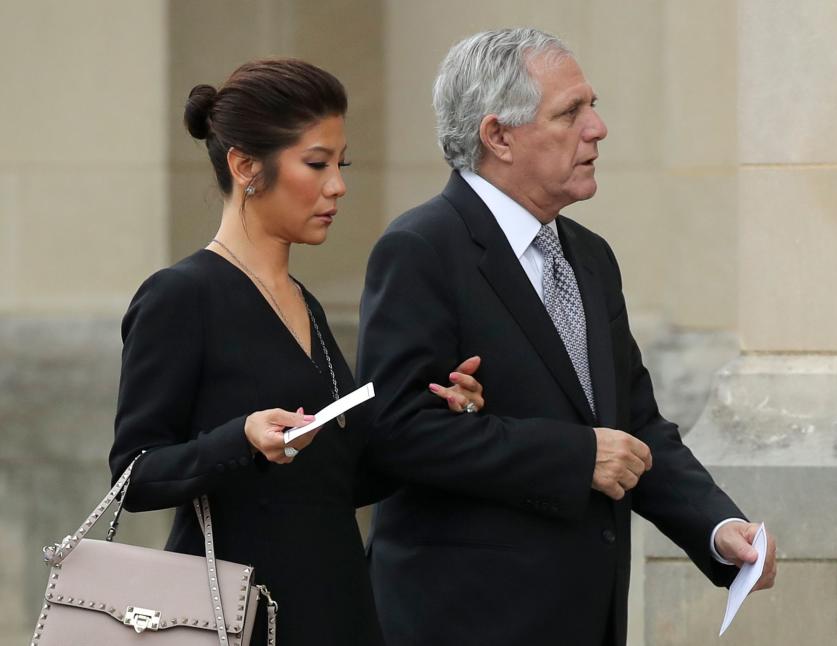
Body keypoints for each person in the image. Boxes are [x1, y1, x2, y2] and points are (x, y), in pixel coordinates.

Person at [357, 28, 777, 646]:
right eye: (571, 111)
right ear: (498, 136)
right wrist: (576, 457)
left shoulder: (589, 255)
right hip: (464, 618)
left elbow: (633, 422)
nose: (598, 128)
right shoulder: (420, 249)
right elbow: (393, 433)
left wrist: (717, 528)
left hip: (586, 616)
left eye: (592, 104)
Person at [108, 58, 485, 646]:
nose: (338, 185)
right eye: (317, 163)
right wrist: (243, 439)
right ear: (245, 167)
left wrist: (439, 408)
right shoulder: (181, 296)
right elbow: (134, 477)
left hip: (335, 608)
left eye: (341, 164)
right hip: (234, 618)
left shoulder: (304, 303)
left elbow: (339, 481)